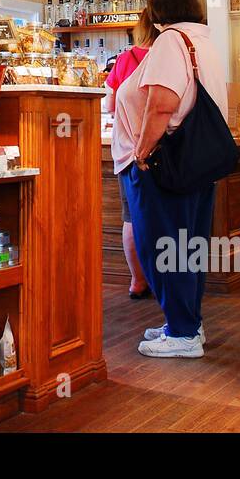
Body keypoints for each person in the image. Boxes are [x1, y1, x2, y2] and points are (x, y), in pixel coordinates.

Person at [112, 0, 228, 359]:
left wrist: (143, 152)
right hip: (196, 160)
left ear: (157, 7)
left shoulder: (169, 41)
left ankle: (181, 333)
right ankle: (187, 323)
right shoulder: (204, 41)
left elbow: (161, 103)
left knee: (162, 245)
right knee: (189, 246)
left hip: (165, 160)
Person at [103, 32, 154, 301]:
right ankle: (166, 279)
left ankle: (137, 280)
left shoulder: (125, 59)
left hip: (128, 151)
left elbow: (109, 105)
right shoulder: (173, 56)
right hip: (164, 148)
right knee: (167, 216)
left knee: (131, 217)